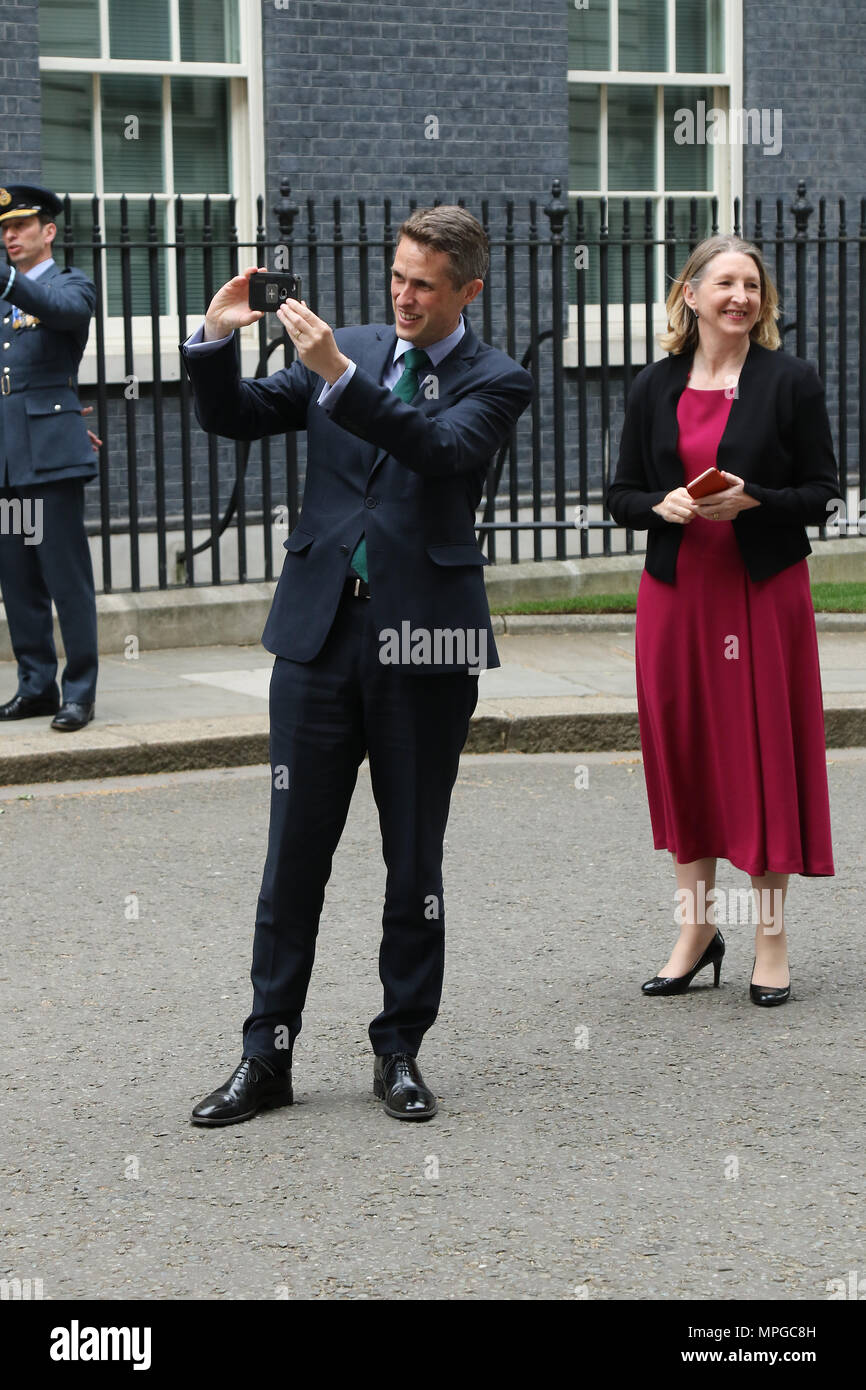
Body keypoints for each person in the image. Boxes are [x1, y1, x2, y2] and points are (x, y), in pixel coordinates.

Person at [182, 205, 533, 1124]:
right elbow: (237, 418)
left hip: (426, 645)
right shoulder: (357, 347)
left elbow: (441, 449)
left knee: (412, 857)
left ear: (469, 290)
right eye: (397, 274)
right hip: (318, 635)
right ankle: (267, 1056)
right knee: (292, 857)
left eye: (424, 283)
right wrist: (215, 339)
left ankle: (400, 1051)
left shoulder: (496, 378)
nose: (403, 295)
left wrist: (337, 374)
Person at [607, 235, 838, 1007]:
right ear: (692, 295)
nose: (741, 296)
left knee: (761, 755)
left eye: (753, 285)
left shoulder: (790, 381)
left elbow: (823, 491)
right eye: (726, 283)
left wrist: (756, 498)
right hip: (677, 596)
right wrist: (661, 504)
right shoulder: (654, 385)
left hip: (761, 591)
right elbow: (622, 496)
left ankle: (770, 940)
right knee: (686, 756)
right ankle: (697, 931)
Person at [0, 183, 99, 732]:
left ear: (48, 232)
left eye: (20, 226)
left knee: (65, 576)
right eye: (5, 229)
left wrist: (10, 281)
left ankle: (78, 690)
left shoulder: (71, 284)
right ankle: (36, 684)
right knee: (17, 577)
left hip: (52, 457)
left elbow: (61, 315)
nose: (10, 236)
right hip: (8, 456)